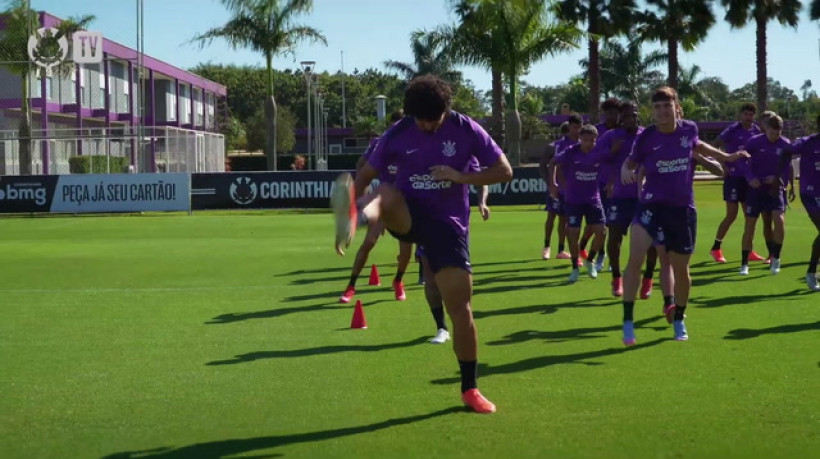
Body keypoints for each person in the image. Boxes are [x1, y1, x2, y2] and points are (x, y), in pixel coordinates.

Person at [331, 74, 513, 414]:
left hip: (448, 228)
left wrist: (460, 177)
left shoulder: (467, 129)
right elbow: (367, 174)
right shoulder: (397, 133)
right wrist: (354, 196)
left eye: (434, 120)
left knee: (461, 309)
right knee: (385, 192)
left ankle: (470, 389)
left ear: (447, 110)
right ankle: (356, 215)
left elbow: (504, 171)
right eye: (421, 120)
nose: (428, 126)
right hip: (408, 215)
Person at [619, 87, 746, 345]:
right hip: (651, 207)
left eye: (667, 106)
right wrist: (624, 169)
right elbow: (631, 163)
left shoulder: (688, 130)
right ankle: (628, 322)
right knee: (635, 259)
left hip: (681, 210)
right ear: (652, 111)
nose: (662, 111)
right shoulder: (646, 137)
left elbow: (701, 147)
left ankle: (678, 318)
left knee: (680, 268)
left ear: (676, 108)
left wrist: (727, 157)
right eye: (657, 107)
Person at [339, 110, 412, 304]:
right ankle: (351, 286)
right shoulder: (380, 144)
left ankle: (398, 281)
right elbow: (361, 164)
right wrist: (362, 190)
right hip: (382, 203)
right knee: (368, 243)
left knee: (406, 251)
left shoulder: (412, 144)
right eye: (394, 126)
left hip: (402, 205)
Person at [598, 101, 658, 300]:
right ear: (621, 118)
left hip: (645, 196)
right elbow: (596, 156)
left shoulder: (646, 134)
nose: (631, 118)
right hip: (620, 196)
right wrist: (612, 152)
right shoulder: (611, 136)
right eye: (627, 115)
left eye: (634, 114)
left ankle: (648, 278)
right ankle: (616, 278)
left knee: (651, 241)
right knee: (614, 236)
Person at [423, 181, 490, 344]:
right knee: (430, 278)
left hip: (456, 227)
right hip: (425, 224)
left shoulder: (461, 163)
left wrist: (482, 202)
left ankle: (463, 325)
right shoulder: (415, 164)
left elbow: (481, 181)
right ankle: (441, 328)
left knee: (459, 280)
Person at [709, 103, 765, 263]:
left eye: (751, 114)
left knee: (750, 216)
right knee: (731, 215)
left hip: (749, 179)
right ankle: (716, 248)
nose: (748, 117)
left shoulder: (756, 131)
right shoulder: (732, 130)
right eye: (746, 114)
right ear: (741, 115)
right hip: (733, 178)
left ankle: (749, 250)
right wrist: (723, 164)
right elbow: (714, 146)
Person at [551, 124, 607, 282]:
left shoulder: (599, 153)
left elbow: (613, 164)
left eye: (592, 140)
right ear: (580, 139)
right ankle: (575, 267)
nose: (589, 143)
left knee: (602, 231)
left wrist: (611, 182)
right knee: (573, 232)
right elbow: (553, 163)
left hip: (593, 200)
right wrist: (553, 183)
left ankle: (590, 260)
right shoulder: (570, 152)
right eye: (586, 139)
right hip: (573, 200)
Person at [737, 115, 791, 276]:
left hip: (775, 190)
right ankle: (744, 263)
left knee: (779, 221)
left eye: (777, 133)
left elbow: (787, 167)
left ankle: (776, 258)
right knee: (750, 225)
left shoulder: (785, 144)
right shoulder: (754, 142)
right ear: (766, 129)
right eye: (772, 133)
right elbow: (741, 160)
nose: (774, 136)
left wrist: (779, 179)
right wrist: (750, 177)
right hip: (756, 190)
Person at [784, 114, 820, 291]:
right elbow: (785, 151)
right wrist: (781, 177)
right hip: (810, 194)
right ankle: (811, 272)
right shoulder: (807, 142)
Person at [540, 122, 570, 260]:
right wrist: (550, 183)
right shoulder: (553, 147)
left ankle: (560, 250)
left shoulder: (575, 146)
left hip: (567, 189)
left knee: (563, 218)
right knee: (552, 216)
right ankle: (547, 247)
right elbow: (542, 166)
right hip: (555, 187)